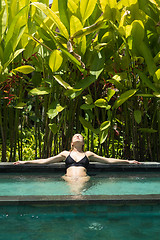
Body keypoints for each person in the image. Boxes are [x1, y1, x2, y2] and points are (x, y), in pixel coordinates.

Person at [14, 133, 140, 194]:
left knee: (77, 195)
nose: (78, 136)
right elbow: (44, 161)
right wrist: (25, 161)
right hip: (68, 178)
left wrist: (128, 161)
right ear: (72, 143)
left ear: (83, 143)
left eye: (80, 136)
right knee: (74, 195)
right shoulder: (65, 154)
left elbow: (108, 160)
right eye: (76, 136)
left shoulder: (88, 154)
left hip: (83, 179)